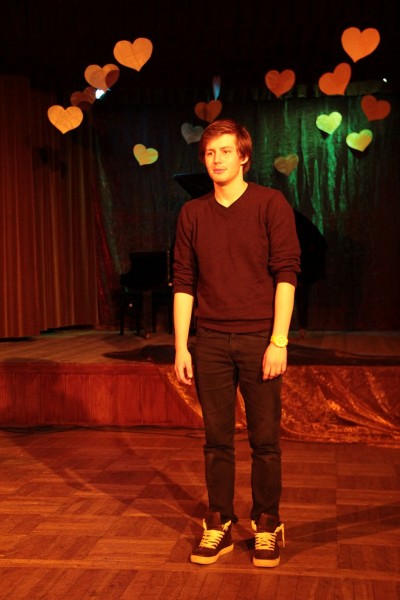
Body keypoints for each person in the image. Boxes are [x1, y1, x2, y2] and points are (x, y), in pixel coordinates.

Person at [173, 118, 301, 568]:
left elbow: (286, 274)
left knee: (265, 441)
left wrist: (278, 340)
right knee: (216, 441)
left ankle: (267, 523)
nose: (216, 160)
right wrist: (181, 346)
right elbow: (184, 282)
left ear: (243, 157)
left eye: (225, 151)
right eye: (210, 153)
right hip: (209, 341)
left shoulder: (270, 204)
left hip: (258, 339)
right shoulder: (192, 214)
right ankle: (220, 521)